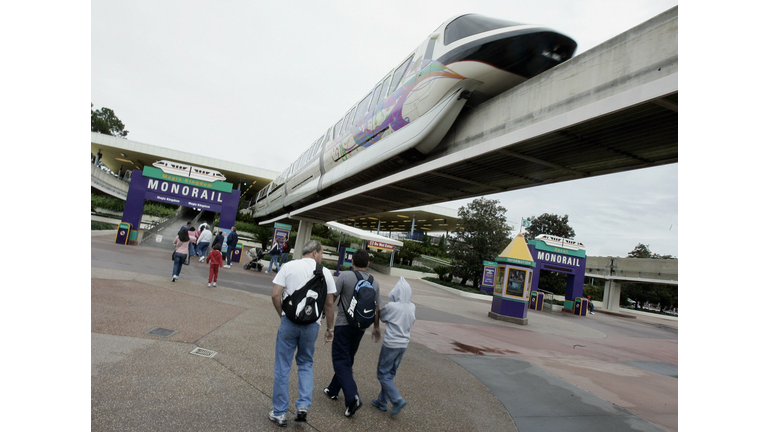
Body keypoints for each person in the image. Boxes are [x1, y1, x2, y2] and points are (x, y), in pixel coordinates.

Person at [268, 240, 337, 427]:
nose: (322, 256)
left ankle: (280, 412)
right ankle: (303, 406)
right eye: (322, 253)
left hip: (289, 322)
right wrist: (330, 329)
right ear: (314, 252)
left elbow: (275, 294)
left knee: (283, 366)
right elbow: (329, 304)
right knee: (306, 364)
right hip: (312, 326)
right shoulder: (325, 272)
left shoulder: (289, 266)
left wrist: (282, 313)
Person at [323, 249, 381, 418]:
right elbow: (377, 308)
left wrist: (326, 313)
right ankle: (333, 389)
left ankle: (352, 398)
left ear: (352, 262)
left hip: (343, 324)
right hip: (361, 327)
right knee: (347, 358)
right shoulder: (374, 282)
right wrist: (376, 327)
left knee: (340, 359)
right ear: (368, 264)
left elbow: (332, 299)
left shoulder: (345, 277)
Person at [371, 277, 415, 417]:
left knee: (382, 374)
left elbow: (382, 316)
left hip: (391, 343)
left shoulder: (392, 306)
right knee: (390, 374)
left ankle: (397, 400)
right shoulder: (412, 306)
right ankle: (382, 401)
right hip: (403, 344)